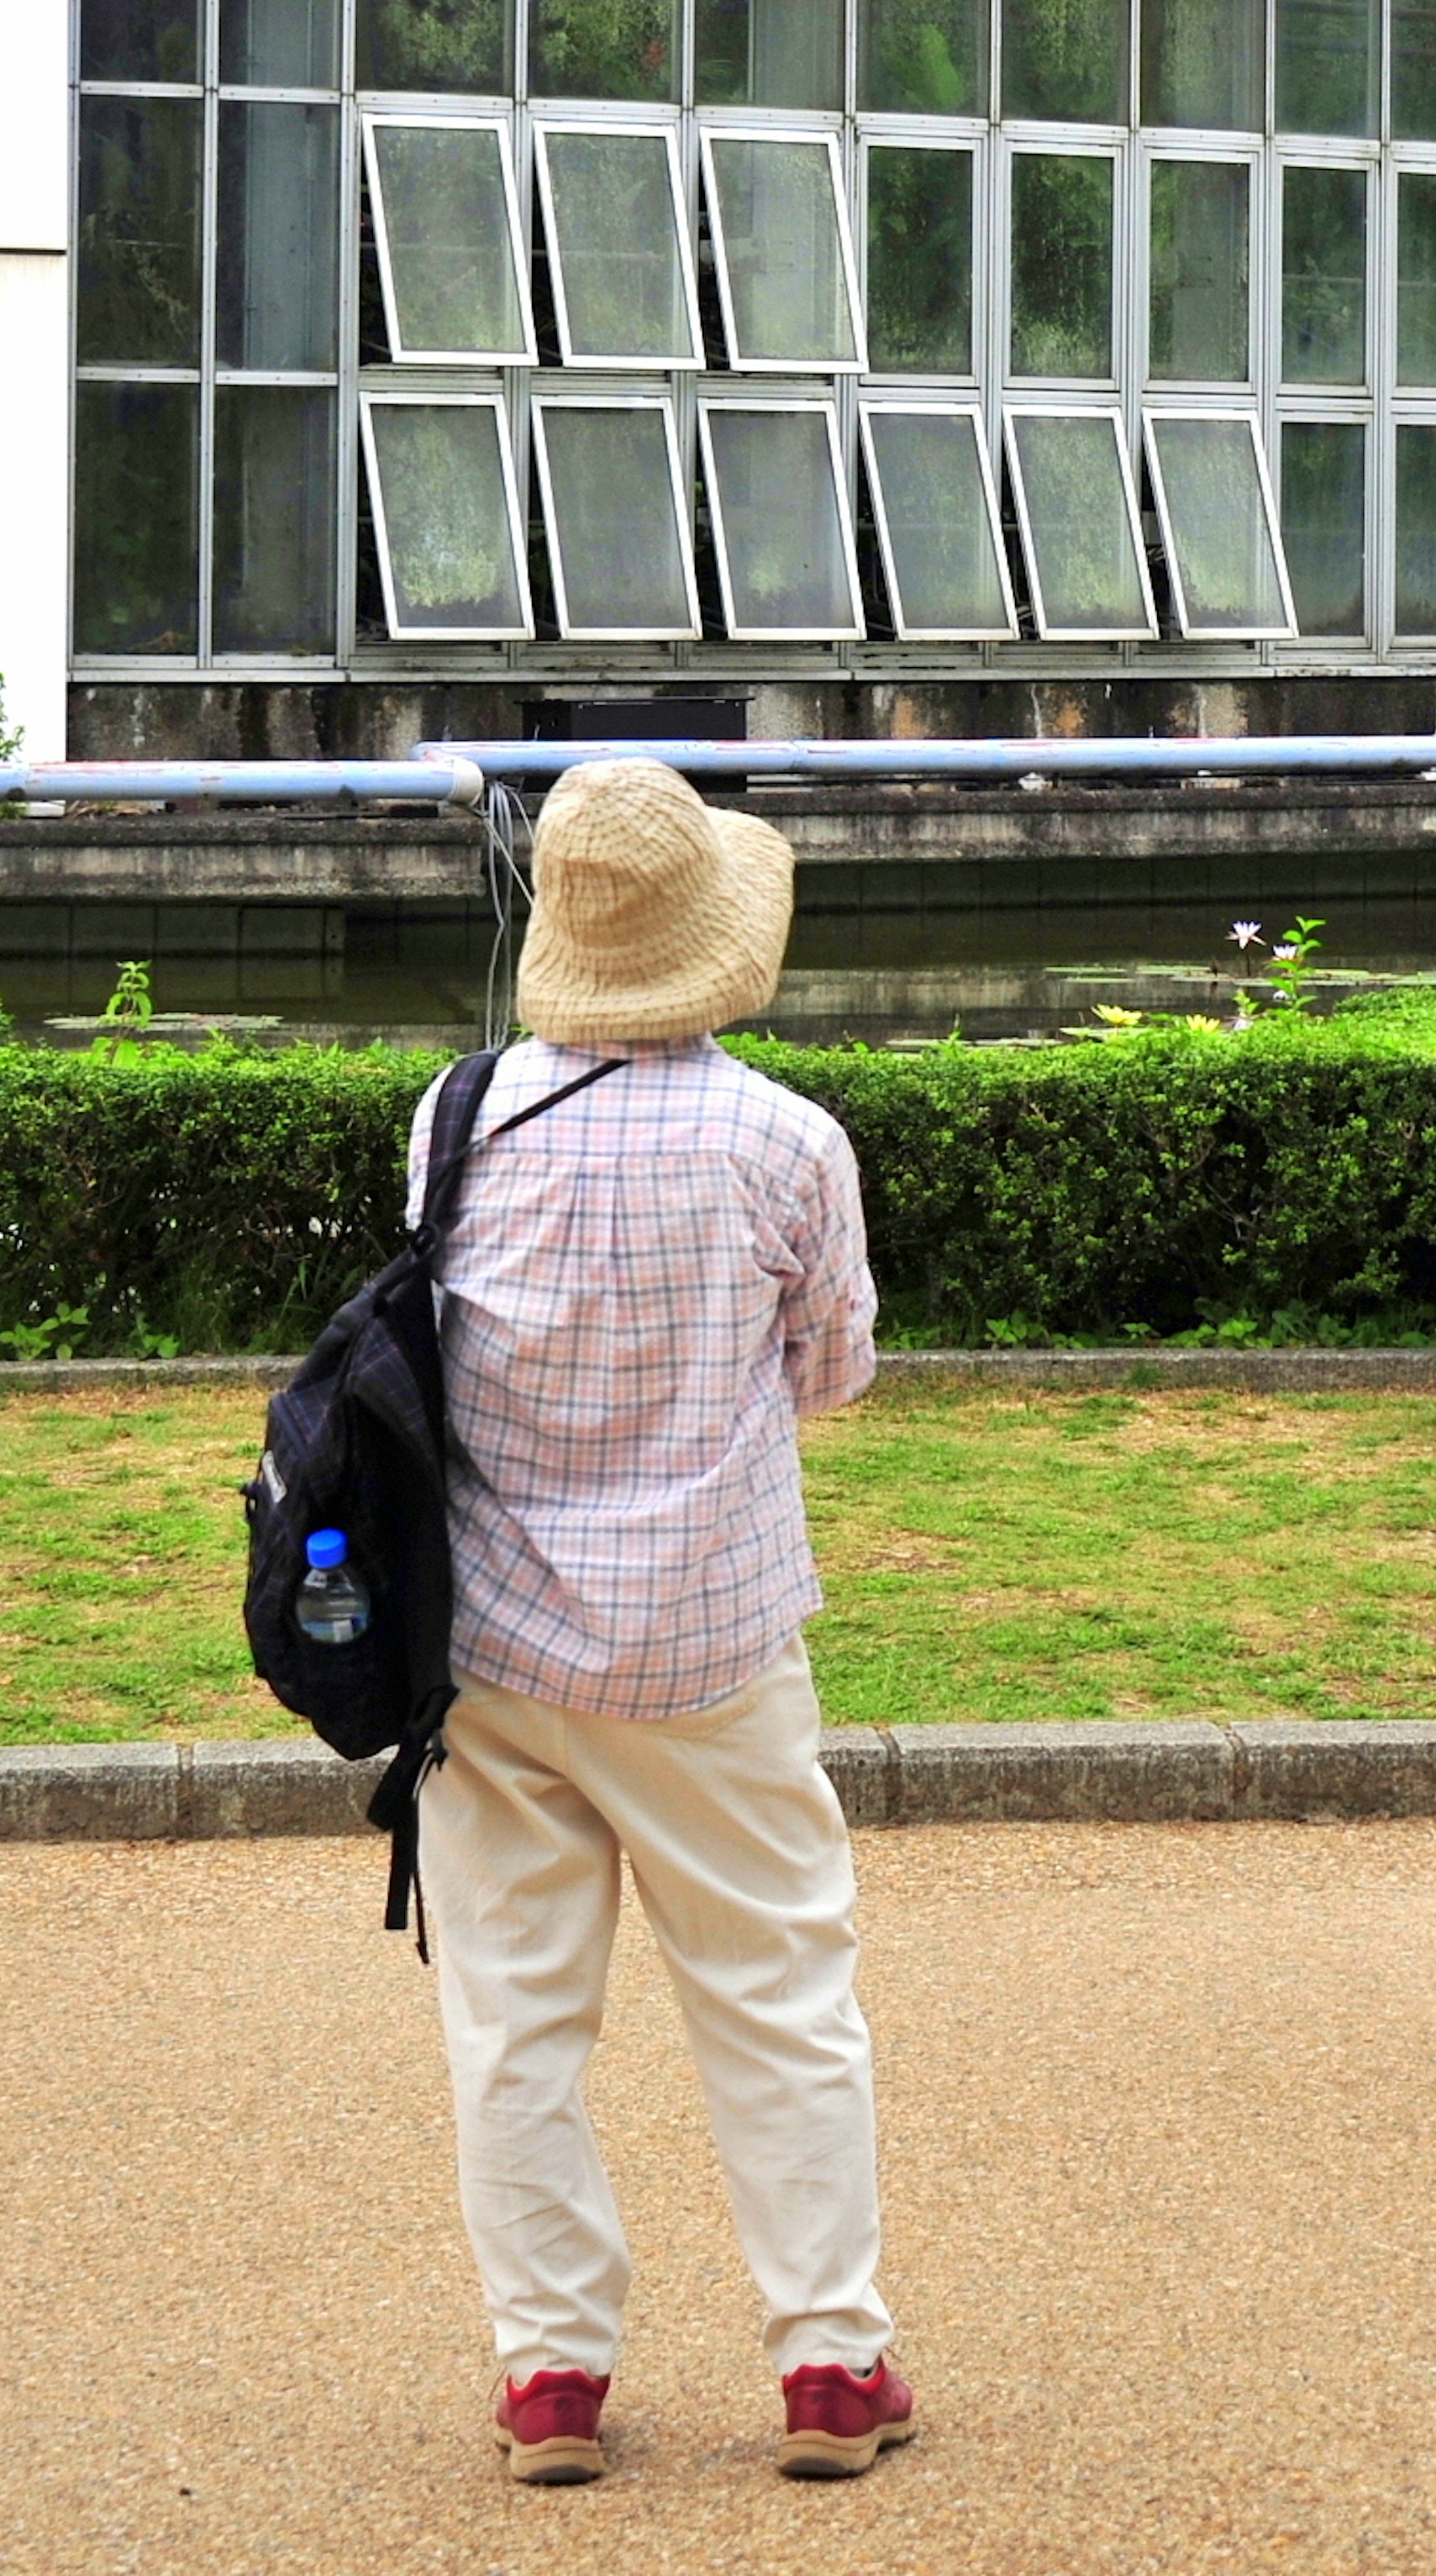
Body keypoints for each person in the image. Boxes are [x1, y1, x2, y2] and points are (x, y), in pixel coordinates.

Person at [407, 757, 914, 2488]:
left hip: (489, 1648)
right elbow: (833, 1368)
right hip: (710, 1642)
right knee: (778, 1993)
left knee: (516, 2017)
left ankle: (552, 2373)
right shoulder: (784, 1136)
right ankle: (832, 2362)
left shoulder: (457, 1114)